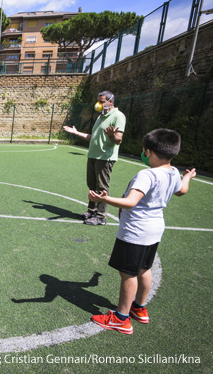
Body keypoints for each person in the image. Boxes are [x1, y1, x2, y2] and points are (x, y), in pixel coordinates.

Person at [89, 128, 196, 335]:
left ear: (148, 152)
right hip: (155, 231)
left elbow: (130, 202)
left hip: (135, 232)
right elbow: (181, 191)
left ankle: (121, 317)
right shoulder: (173, 172)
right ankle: (139, 308)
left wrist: (103, 199)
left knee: (128, 274)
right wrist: (188, 177)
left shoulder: (146, 175)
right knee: (144, 270)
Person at [63, 91, 126, 226]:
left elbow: (118, 140)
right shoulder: (100, 117)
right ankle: (92, 211)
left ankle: (101, 216)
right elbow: (93, 137)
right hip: (93, 155)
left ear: (111, 101)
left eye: (102, 102)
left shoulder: (118, 116)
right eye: (98, 101)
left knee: (102, 187)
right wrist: (76, 132)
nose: (99, 104)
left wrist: (111, 135)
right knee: (92, 185)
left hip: (105, 157)